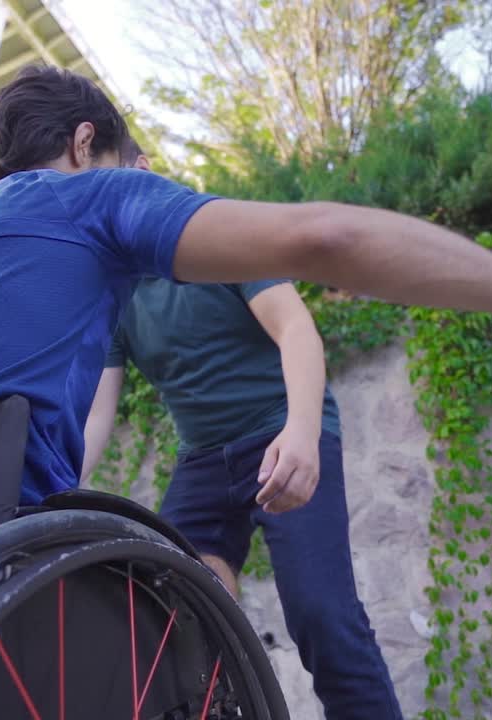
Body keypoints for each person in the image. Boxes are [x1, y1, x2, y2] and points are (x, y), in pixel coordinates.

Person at [0, 62, 492, 561]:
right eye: (130, 161)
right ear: (83, 144)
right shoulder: (90, 199)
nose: (139, 173)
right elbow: (328, 235)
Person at [80, 137, 405, 718]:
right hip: (204, 461)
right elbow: (99, 412)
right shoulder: (115, 292)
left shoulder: (216, 236)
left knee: (322, 616)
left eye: (107, 179)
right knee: (170, 608)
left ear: (143, 170)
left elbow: (297, 330)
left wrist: (303, 432)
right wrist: (59, 490)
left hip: (283, 432)